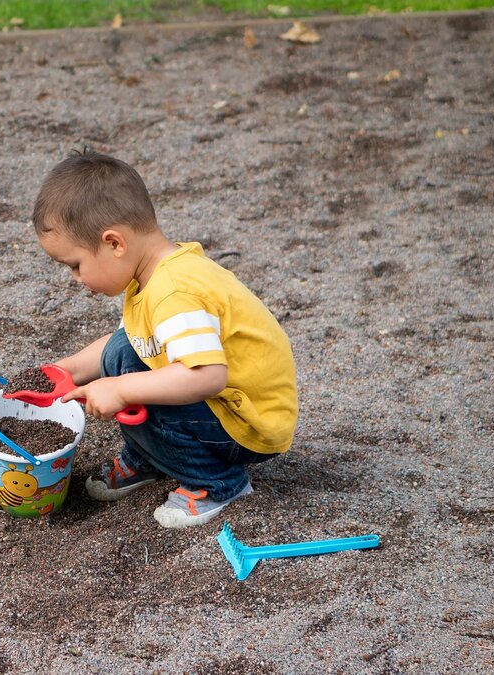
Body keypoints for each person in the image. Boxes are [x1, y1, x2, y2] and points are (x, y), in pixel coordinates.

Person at [31, 149, 297, 528]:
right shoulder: (154, 273)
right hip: (224, 405)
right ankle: (151, 458)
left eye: (75, 265)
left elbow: (206, 376)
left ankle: (218, 483)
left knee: (134, 383)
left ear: (114, 243)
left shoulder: (175, 292)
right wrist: (65, 370)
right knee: (123, 354)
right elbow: (126, 342)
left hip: (247, 424)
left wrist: (122, 389)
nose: (75, 278)